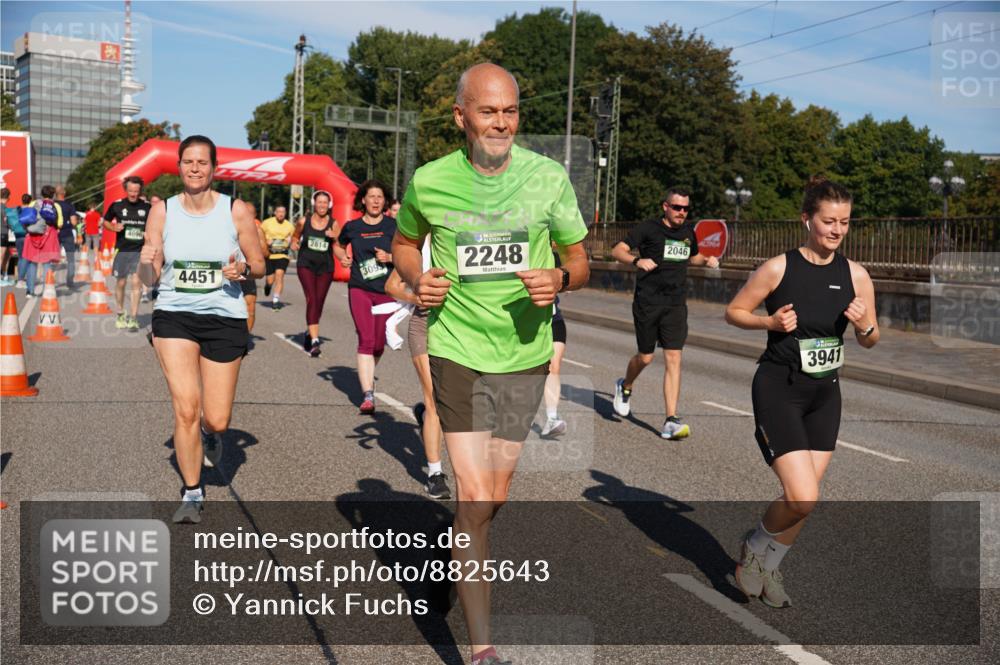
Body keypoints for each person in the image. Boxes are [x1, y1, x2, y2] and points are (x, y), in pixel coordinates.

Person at [392, 63, 589, 665]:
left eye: (510, 111)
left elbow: (580, 261)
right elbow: (403, 244)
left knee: (493, 496)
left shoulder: (547, 178)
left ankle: (455, 551)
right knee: (476, 495)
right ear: (461, 117)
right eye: (488, 111)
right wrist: (416, 277)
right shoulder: (430, 181)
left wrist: (559, 279)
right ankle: (482, 649)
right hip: (456, 347)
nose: (501, 123)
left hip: (524, 354)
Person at [725, 176, 879, 608]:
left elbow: (871, 339)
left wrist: (864, 324)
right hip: (780, 388)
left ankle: (769, 565)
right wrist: (769, 323)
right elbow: (734, 311)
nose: (837, 230)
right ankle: (755, 547)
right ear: (807, 219)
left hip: (825, 395)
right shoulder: (779, 268)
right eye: (829, 221)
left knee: (804, 502)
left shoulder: (856, 275)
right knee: (803, 495)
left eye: (844, 222)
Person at [138, 135, 265, 524]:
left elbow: (260, 265)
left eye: (202, 162)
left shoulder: (235, 210)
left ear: (214, 168)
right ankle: (192, 492)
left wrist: (243, 269)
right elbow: (150, 277)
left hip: (224, 317)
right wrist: (145, 262)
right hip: (174, 315)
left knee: (217, 418)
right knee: (186, 408)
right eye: (188, 162)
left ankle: (211, 434)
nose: (195, 168)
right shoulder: (162, 211)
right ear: (179, 166)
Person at [610, 188, 720, 439]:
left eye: (685, 208)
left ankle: (671, 419)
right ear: (665, 207)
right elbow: (617, 250)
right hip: (648, 302)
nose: (682, 212)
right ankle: (625, 386)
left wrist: (707, 260)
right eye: (677, 207)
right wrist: (637, 261)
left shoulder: (688, 232)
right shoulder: (648, 228)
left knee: (674, 358)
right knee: (646, 357)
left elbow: (693, 257)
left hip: (675, 304)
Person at [386, 260, 452, 498]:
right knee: (435, 400)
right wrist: (416, 298)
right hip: (425, 325)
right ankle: (435, 475)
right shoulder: (419, 249)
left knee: (454, 399)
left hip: (461, 329)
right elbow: (391, 285)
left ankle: (424, 417)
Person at [333, 179, 396, 415]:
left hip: (386, 290)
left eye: (380, 197)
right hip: (359, 287)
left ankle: (368, 373)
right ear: (363, 200)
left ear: (385, 201)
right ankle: (368, 394)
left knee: (379, 343)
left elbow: (408, 252)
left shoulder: (393, 226)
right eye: (372, 197)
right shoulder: (353, 227)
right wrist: (342, 257)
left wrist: (390, 258)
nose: (376, 201)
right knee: (366, 339)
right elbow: (338, 245)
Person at [290, 191, 337, 357]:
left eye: (325, 202)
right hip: (306, 265)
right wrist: (294, 243)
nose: (322, 205)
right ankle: (315, 341)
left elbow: (339, 245)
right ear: (314, 203)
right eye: (319, 202)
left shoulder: (334, 223)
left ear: (329, 205)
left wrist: (335, 237)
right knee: (312, 298)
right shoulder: (304, 221)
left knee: (319, 302)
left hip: (326, 267)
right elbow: (295, 237)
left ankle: (309, 332)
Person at [104, 176, 152, 332]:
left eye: (136, 191)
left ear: (140, 191)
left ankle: (133, 317)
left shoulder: (147, 207)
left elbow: (155, 225)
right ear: (126, 190)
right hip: (122, 250)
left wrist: (149, 235)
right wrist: (113, 227)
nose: (133, 194)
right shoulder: (117, 205)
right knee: (121, 283)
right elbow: (105, 221)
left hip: (139, 250)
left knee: (136, 282)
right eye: (131, 191)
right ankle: (120, 312)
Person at [541, 246, 568, 437]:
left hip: (553, 319)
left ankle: (552, 418)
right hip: (524, 322)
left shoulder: (554, 257)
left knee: (554, 366)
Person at [239, 202, 268, 334]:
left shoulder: (258, 231)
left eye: (250, 214)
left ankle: (246, 338)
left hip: (247, 273)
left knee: (250, 307)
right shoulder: (229, 227)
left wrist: (257, 240)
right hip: (228, 272)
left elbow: (266, 254)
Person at [260, 205, 294, 309]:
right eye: (279, 211)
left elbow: (295, 239)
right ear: (275, 213)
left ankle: (275, 300)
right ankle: (268, 286)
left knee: (279, 275)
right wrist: (266, 242)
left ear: (285, 213)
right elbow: (259, 235)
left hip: (283, 255)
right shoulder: (266, 223)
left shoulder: (290, 226)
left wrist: (290, 241)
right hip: (270, 255)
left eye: (283, 212)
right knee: (270, 280)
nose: (281, 214)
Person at [54, 186, 78, 289]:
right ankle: (70, 282)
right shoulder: (69, 205)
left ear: (55, 193)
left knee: (52, 258)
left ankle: (50, 281)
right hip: (67, 233)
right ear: (64, 193)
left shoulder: (52, 205)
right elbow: (74, 222)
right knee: (71, 259)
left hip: (54, 234)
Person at [0, 189, 15, 287]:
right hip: (2, 233)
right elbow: (8, 223)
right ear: (8, 197)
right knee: (1, 256)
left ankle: (4, 276)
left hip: (3, 233)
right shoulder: (5, 209)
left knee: (7, 255)